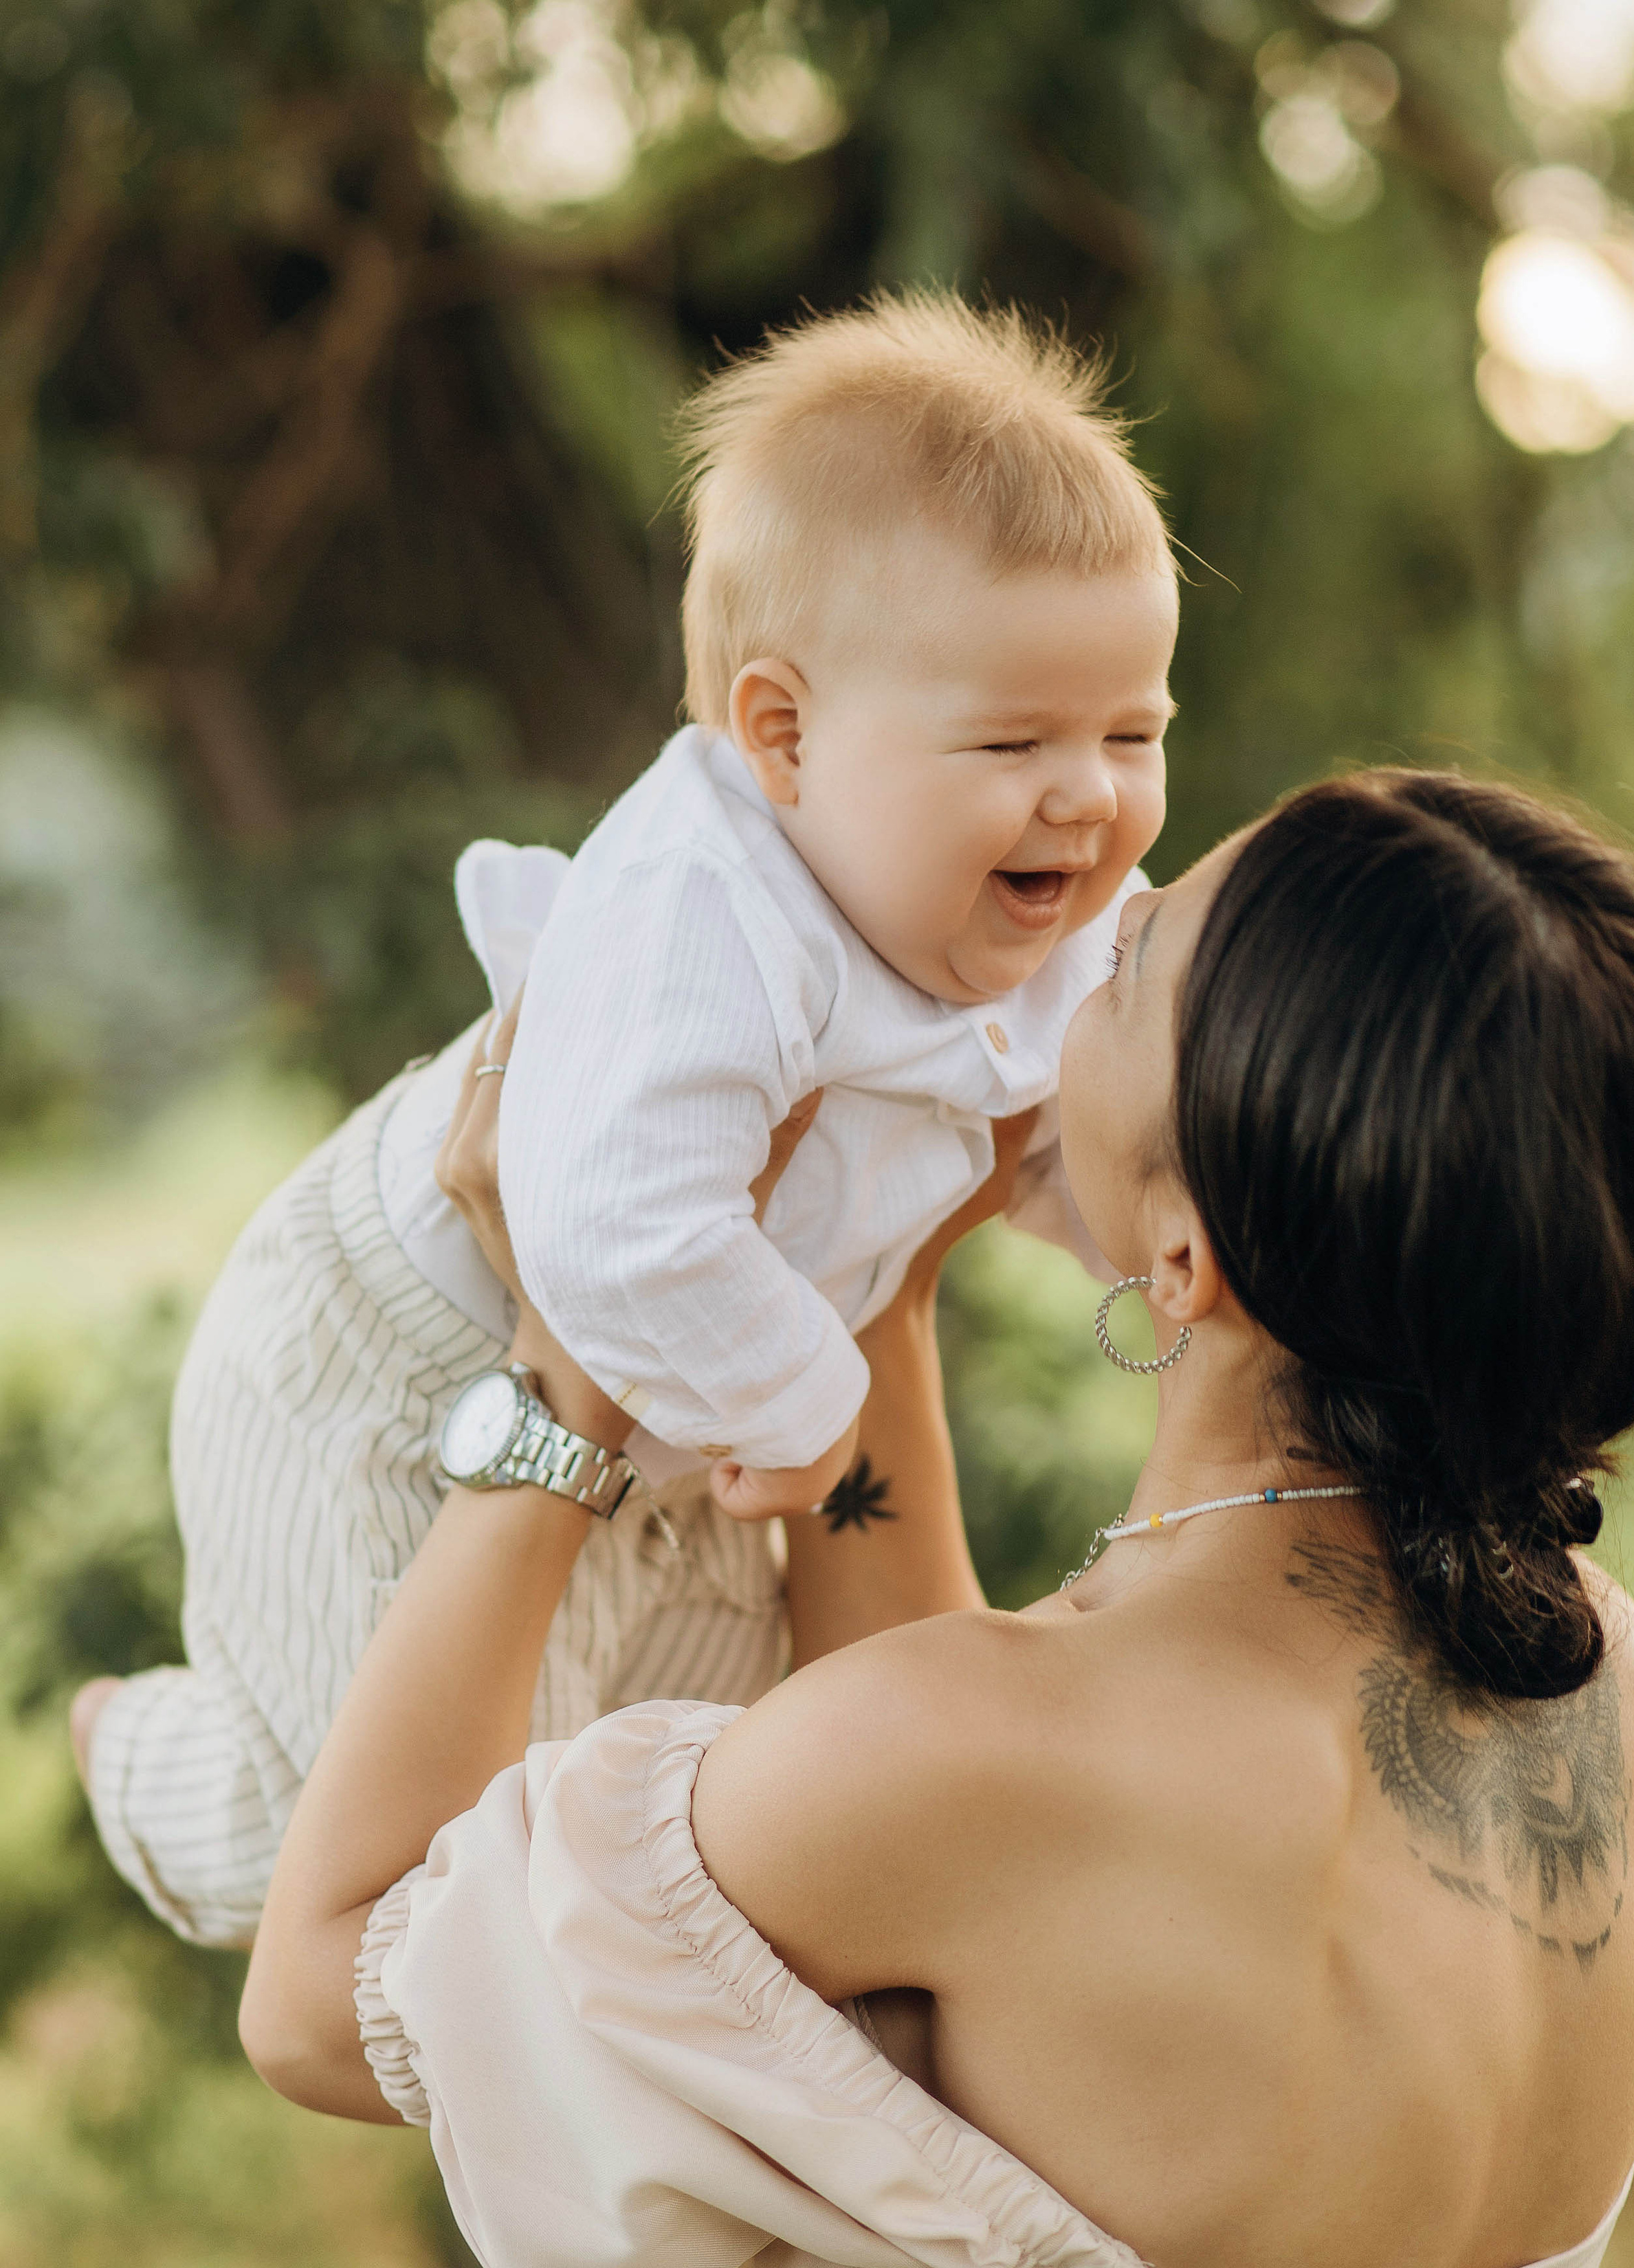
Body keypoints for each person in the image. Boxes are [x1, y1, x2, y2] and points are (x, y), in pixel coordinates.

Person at [241, 767, 1634, 2268]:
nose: (1091, 925)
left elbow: (321, 1998)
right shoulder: (1628, 1701)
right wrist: (869, 1288)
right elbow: (988, 1858)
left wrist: (566, 1366)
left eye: (1136, 957)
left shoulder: (989, 1761)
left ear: (1181, 1261)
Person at [73, 291, 1177, 1948]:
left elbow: (1079, 1141)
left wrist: (1165, 1255)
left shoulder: (1033, 897)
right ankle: (150, 1756)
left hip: (691, 1407)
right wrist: (804, 1403)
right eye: (1013, 738)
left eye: (1133, 731)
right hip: (399, 1366)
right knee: (389, 1864)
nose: (1088, 796)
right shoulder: (705, 916)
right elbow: (608, 1233)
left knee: (673, 1804)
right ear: (780, 734)